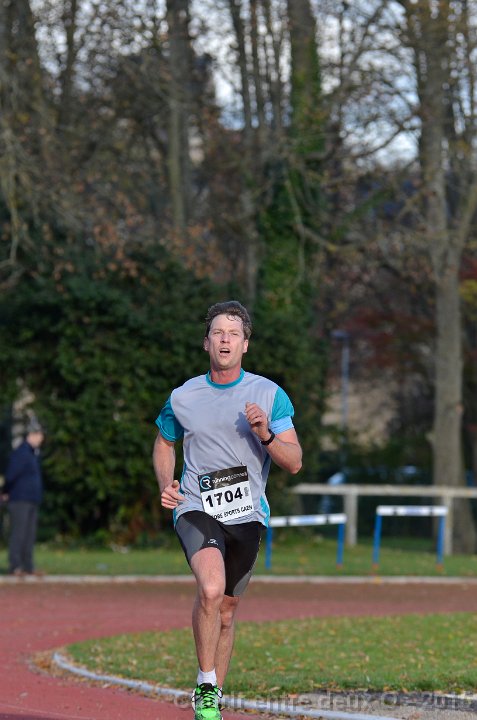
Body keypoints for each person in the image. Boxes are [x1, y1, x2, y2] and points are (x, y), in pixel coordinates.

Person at [153, 301, 302, 720]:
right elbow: (164, 441)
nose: (225, 339)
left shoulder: (268, 394)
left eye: (233, 334)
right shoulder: (183, 396)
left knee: (227, 610)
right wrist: (166, 483)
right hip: (196, 506)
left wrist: (265, 434)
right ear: (206, 343)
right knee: (211, 589)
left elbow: (294, 461)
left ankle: (214, 696)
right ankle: (204, 685)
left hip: (246, 514)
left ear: (245, 344)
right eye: (218, 332)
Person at [3, 419, 45, 576]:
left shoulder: (34, 453)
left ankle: (28, 566)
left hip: (32, 499)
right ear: (31, 435)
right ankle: (15, 566)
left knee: (29, 534)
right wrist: (5, 491)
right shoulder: (21, 453)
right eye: (39, 435)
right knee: (19, 533)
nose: (41, 439)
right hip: (19, 498)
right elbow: (11, 475)